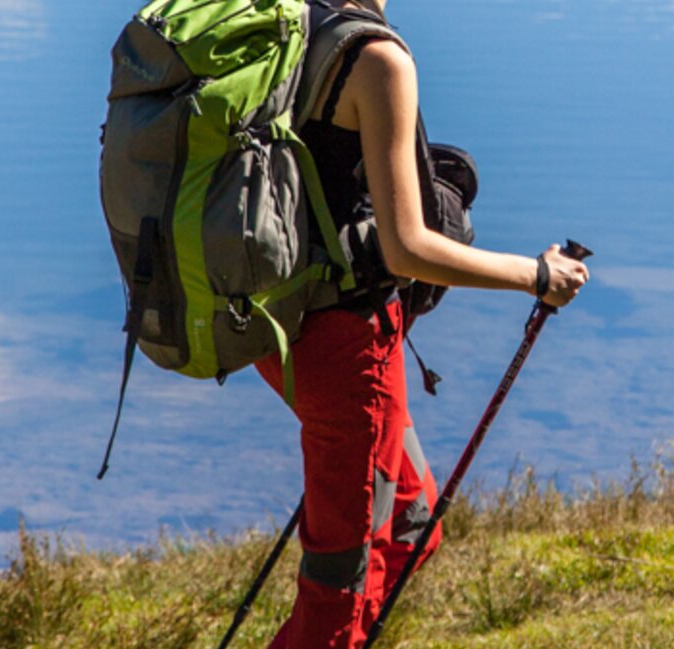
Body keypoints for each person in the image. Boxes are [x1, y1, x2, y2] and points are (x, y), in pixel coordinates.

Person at [251, 0, 590, 645]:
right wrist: (536, 276)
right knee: (338, 594)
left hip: (278, 327)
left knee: (410, 525)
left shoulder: (283, 23)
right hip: (350, 352)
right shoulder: (376, 59)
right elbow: (408, 249)